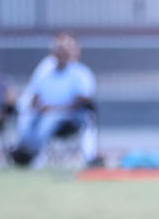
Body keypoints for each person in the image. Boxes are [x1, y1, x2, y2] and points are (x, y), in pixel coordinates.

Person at [11, 32, 100, 168]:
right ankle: (24, 151)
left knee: (49, 120)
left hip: (69, 116)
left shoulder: (81, 73)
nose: (60, 54)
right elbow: (35, 95)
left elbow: (81, 101)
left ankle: (36, 156)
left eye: (64, 50)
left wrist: (54, 109)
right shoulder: (45, 70)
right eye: (58, 50)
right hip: (42, 111)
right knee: (26, 117)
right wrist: (39, 107)